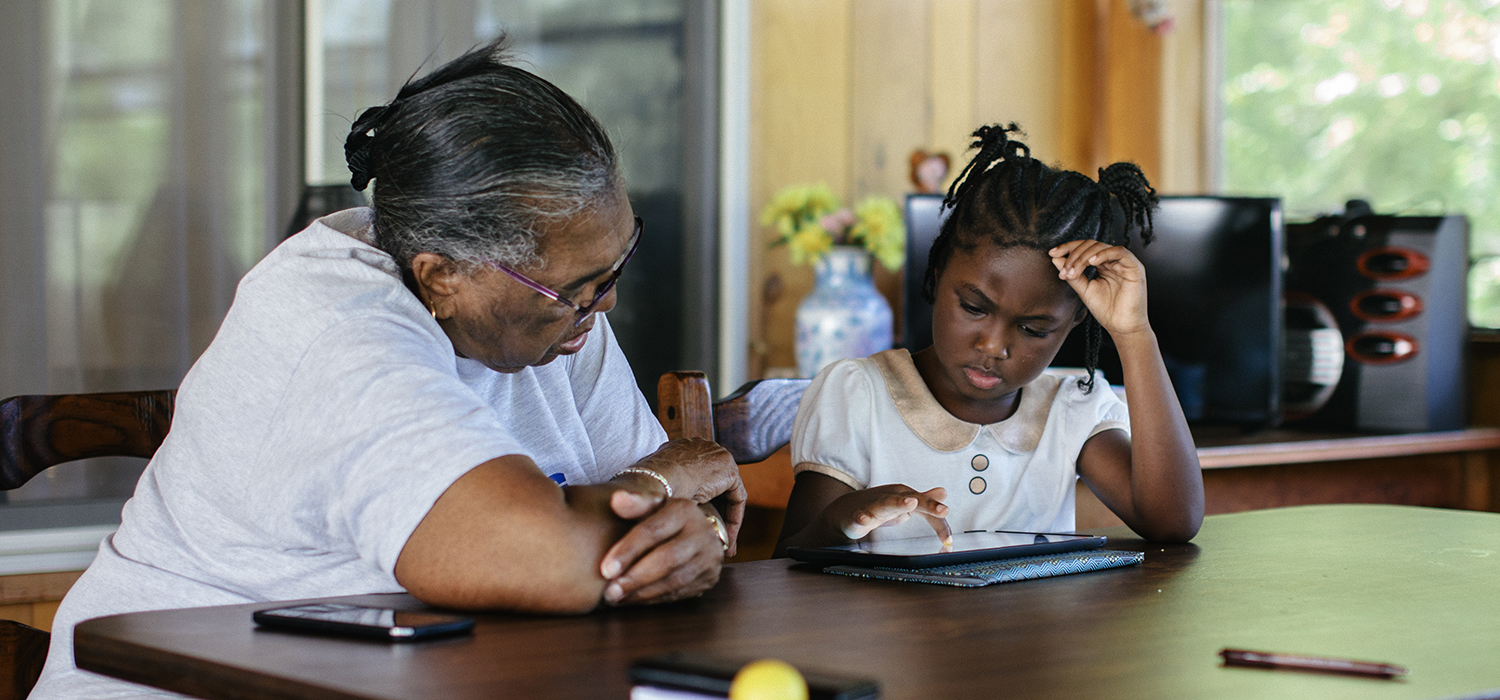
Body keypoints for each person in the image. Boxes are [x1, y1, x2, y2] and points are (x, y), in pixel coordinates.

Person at [33, 38, 744, 699]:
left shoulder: (560, 318)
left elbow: (666, 521)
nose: (606, 300)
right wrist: (659, 485)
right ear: (441, 277)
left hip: (421, 676)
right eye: (579, 287)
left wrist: (689, 529)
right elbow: (555, 558)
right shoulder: (338, 326)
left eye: (615, 264)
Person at [774, 124, 1203, 555]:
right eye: (974, 307)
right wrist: (843, 517)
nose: (994, 346)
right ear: (938, 273)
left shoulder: (1071, 410)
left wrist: (1133, 334)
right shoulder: (858, 396)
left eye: (1034, 329)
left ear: (1074, 322)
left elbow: (1173, 521)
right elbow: (788, 560)